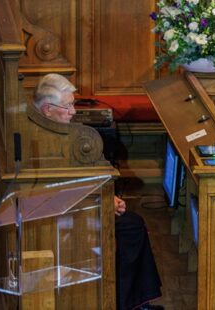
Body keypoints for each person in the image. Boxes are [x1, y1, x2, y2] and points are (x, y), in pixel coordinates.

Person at [34, 74, 163, 310]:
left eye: (73, 103)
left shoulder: (64, 131)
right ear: (47, 109)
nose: (73, 111)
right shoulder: (38, 139)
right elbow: (53, 190)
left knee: (132, 224)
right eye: (68, 106)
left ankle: (135, 301)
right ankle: (124, 303)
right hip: (58, 217)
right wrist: (102, 203)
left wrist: (108, 198)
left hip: (80, 203)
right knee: (131, 228)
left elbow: (81, 177)